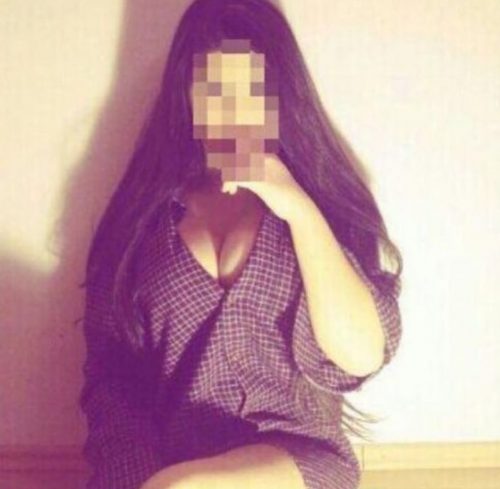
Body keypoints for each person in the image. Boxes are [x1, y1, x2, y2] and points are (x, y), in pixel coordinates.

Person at [78, 1, 403, 488]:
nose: (231, 111)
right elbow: (112, 381)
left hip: (295, 461)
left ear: (280, 96)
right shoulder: (144, 221)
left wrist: (297, 208)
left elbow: (360, 355)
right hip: (166, 468)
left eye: (251, 90)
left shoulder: (318, 202)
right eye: (213, 89)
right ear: (186, 95)